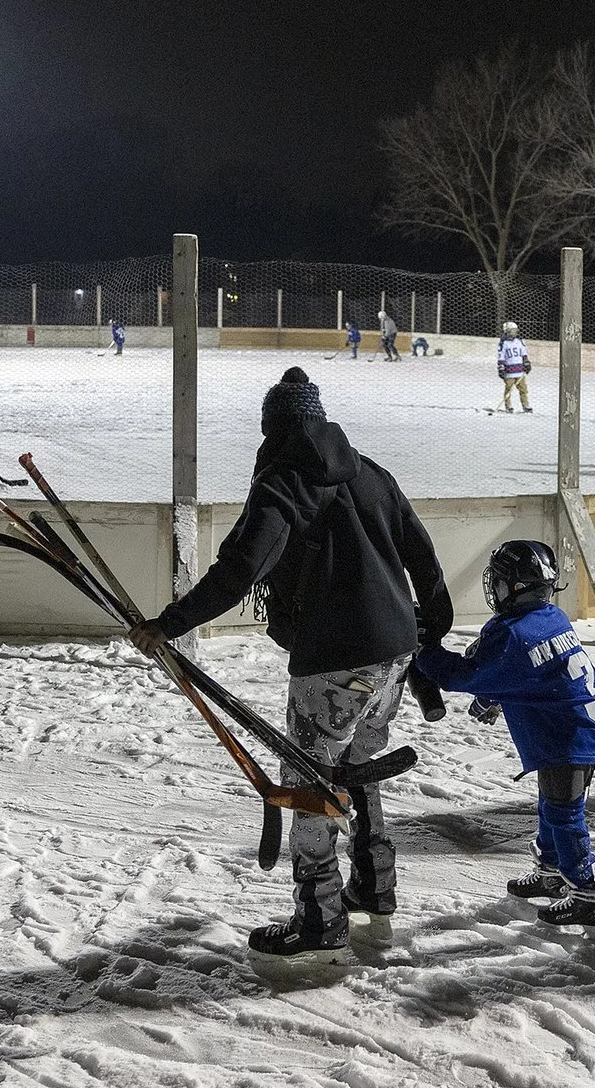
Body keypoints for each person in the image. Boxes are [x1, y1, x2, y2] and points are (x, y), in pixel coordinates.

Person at [130, 367, 453, 965]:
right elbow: (422, 553)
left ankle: (319, 916)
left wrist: (168, 625)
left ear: (273, 428)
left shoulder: (284, 482)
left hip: (334, 657)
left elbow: (240, 568)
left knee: (310, 783)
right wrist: (430, 629)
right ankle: (374, 885)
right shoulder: (371, 473)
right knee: (359, 766)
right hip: (393, 651)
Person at [413, 541, 595, 926]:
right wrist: (493, 696)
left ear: (513, 588)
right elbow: (528, 673)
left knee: (564, 813)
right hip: (578, 729)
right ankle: (552, 872)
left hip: (566, 739)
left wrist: (426, 650)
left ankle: (586, 893)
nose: (495, 588)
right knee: (550, 804)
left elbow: (462, 675)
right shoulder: (549, 616)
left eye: (501, 581)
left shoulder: (514, 635)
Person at [497, 323, 533, 411]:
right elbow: (501, 356)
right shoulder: (504, 343)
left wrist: (526, 363)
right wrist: (501, 368)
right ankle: (508, 405)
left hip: (520, 370)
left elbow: (524, 354)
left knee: (523, 389)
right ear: (507, 331)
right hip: (509, 371)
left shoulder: (520, 341)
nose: (514, 332)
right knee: (508, 388)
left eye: (515, 330)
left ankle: (525, 405)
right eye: (512, 330)